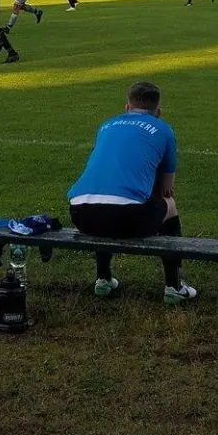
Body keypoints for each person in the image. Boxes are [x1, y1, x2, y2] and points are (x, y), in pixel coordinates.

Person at [67, 82, 197, 304]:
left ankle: (103, 279)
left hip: (80, 213)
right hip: (126, 217)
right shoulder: (163, 129)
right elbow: (166, 188)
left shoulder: (107, 125)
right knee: (169, 204)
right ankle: (174, 286)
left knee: (107, 199)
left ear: (126, 107)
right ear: (158, 112)